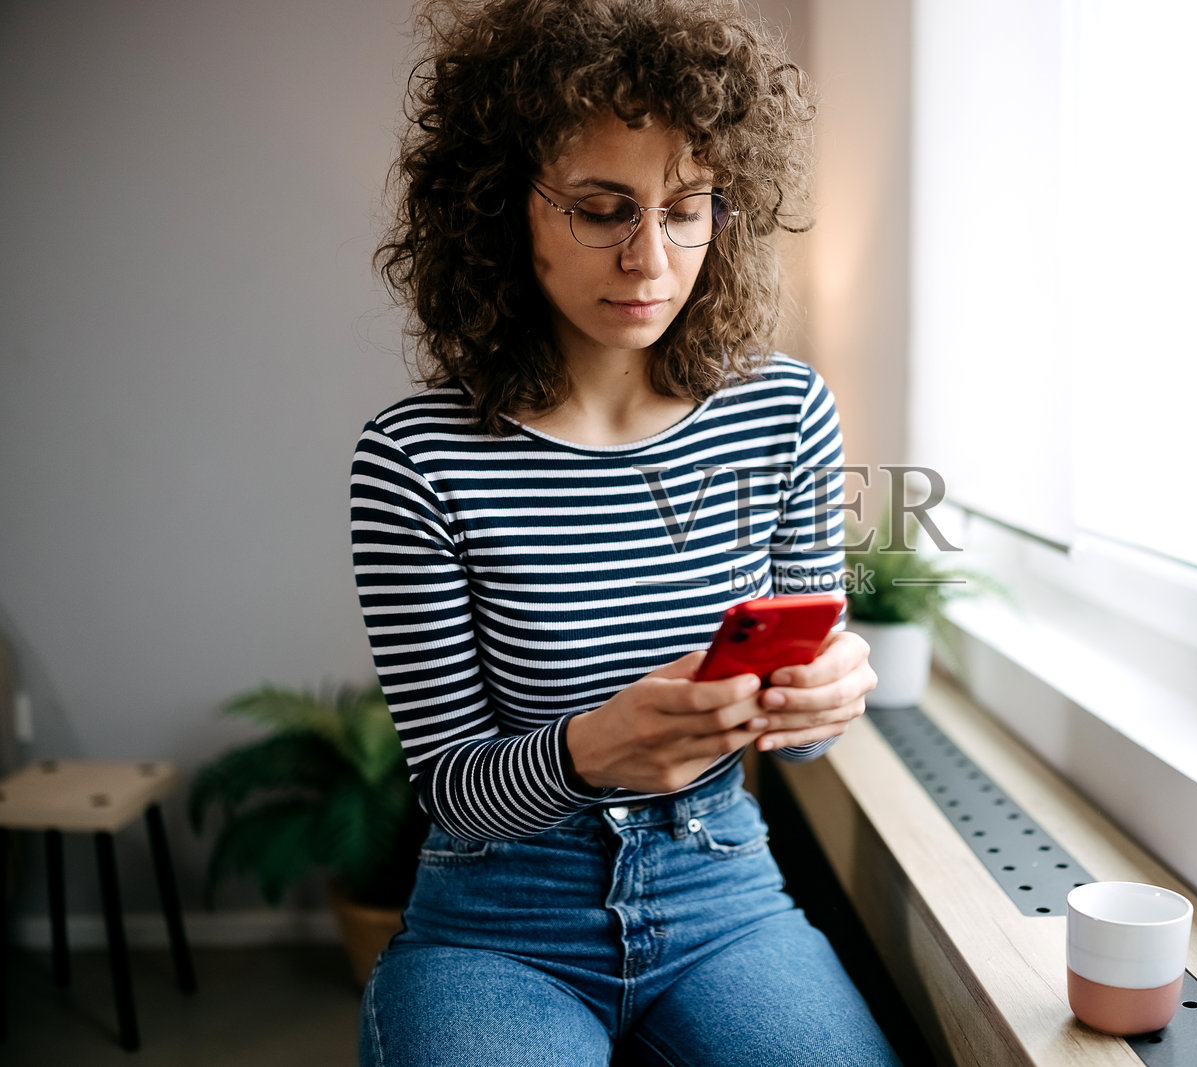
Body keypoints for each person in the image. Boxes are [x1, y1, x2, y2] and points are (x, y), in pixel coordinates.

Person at [348, 1, 900, 1064]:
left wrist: (824, 694)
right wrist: (591, 747)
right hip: (499, 918)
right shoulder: (415, 456)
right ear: (502, 207)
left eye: (687, 207)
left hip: (721, 889)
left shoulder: (783, 412)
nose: (651, 256)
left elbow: (809, 721)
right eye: (603, 209)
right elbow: (450, 780)